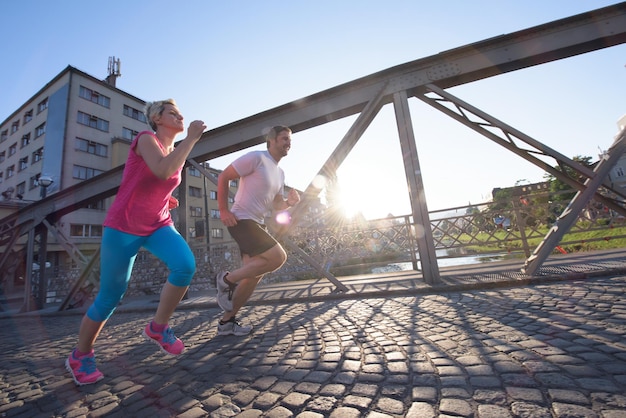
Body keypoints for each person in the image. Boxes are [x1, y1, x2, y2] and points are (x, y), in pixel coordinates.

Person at [65, 99, 206, 385]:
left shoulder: (169, 150)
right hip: (123, 226)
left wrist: (167, 198)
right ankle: (80, 355)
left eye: (181, 113)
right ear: (156, 117)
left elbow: (158, 180)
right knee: (110, 296)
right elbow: (163, 171)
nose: (180, 117)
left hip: (158, 223)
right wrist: (191, 138)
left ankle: (158, 327)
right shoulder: (145, 139)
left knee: (185, 265)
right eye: (173, 113)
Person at [216, 125, 300, 336]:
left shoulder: (280, 173)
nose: (288, 143)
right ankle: (226, 280)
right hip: (242, 219)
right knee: (278, 257)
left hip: (257, 223)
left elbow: (276, 205)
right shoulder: (256, 158)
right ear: (271, 140)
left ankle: (227, 322)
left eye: (290, 140)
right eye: (284, 139)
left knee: (253, 276)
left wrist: (289, 203)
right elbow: (224, 176)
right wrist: (223, 210)